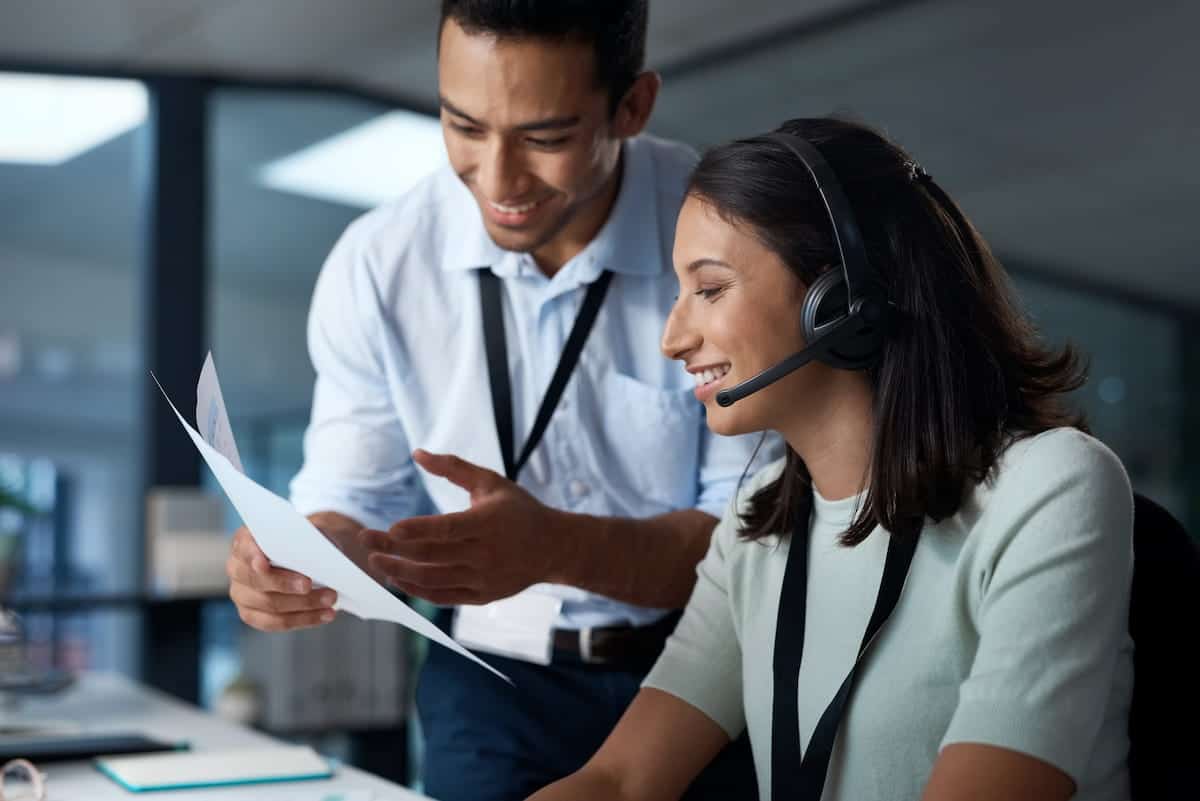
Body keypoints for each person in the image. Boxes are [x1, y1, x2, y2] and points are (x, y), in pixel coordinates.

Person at [223, 2, 772, 800]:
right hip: (488, 682)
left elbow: (753, 547)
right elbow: (354, 499)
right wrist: (303, 555)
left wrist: (553, 547)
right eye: (463, 126)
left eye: (545, 138)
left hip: (706, 664)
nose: (499, 179)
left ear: (633, 106)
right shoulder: (379, 264)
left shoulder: (725, 242)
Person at [528, 117, 1135, 801]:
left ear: (839, 301)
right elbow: (618, 780)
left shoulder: (1049, 489)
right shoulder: (755, 528)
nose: (673, 337)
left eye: (709, 288)